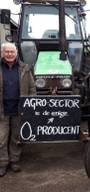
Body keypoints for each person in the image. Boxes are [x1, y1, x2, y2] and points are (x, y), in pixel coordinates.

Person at [0, 42, 36, 177]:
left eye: (12, 52)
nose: (9, 54)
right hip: (2, 110)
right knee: (1, 139)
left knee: (17, 137)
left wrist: (30, 103)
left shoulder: (25, 69)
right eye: (6, 52)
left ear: (16, 53)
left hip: (19, 109)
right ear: (2, 53)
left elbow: (32, 88)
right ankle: (2, 163)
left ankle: (14, 161)